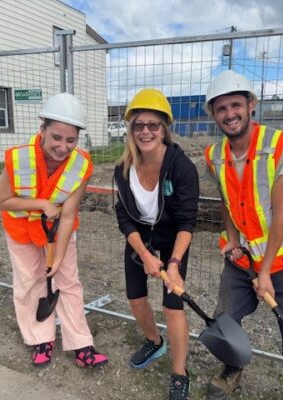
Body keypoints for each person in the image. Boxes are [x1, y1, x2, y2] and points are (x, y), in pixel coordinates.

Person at [203, 70, 283, 400]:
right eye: (221, 109)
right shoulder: (215, 155)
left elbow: (281, 213)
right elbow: (227, 201)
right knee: (225, 316)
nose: (229, 114)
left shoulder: (279, 146)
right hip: (247, 255)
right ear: (213, 115)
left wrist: (267, 271)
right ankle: (232, 368)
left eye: (235, 105)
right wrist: (231, 240)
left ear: (251, 105)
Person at [0, 92, 108, 369]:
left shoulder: (81, 164)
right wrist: (41, 203)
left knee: (68, 282)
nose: (63, 146)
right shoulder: (19, 158)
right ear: (42, 129)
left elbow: (68, 214)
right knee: (29, 282)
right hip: (21, 230)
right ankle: (40, 339)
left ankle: (81, 344)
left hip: (58, 230)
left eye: (71, 140)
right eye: (57, 137)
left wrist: (57, 257)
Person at [113, 88, 199, 400]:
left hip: (173, 240)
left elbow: (188, 221)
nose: (146, 131)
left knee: (172, 305)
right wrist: (144, 254)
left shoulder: (181, 167)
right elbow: (124, 217)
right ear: (130, 129)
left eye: (153, 125)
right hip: (140, 239)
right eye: (139, 125)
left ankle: (180, 372)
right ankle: (154, 341)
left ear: (164, 128)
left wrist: (173, 263)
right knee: (136, 299)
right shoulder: (122, 169)